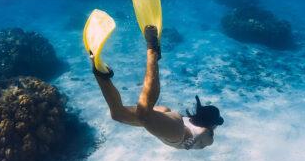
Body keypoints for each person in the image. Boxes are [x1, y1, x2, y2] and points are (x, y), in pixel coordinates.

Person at [92, 24, 223, 150]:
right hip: (177, 132)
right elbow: (203, 133)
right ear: (212, 123)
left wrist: (194, 139)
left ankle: (101, 74)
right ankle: (152, 51)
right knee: (144, 114)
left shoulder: (196, 124)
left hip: (170, 119)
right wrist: (192, 141)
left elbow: (202, 132)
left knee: (118, 114)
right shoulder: (208, 135)